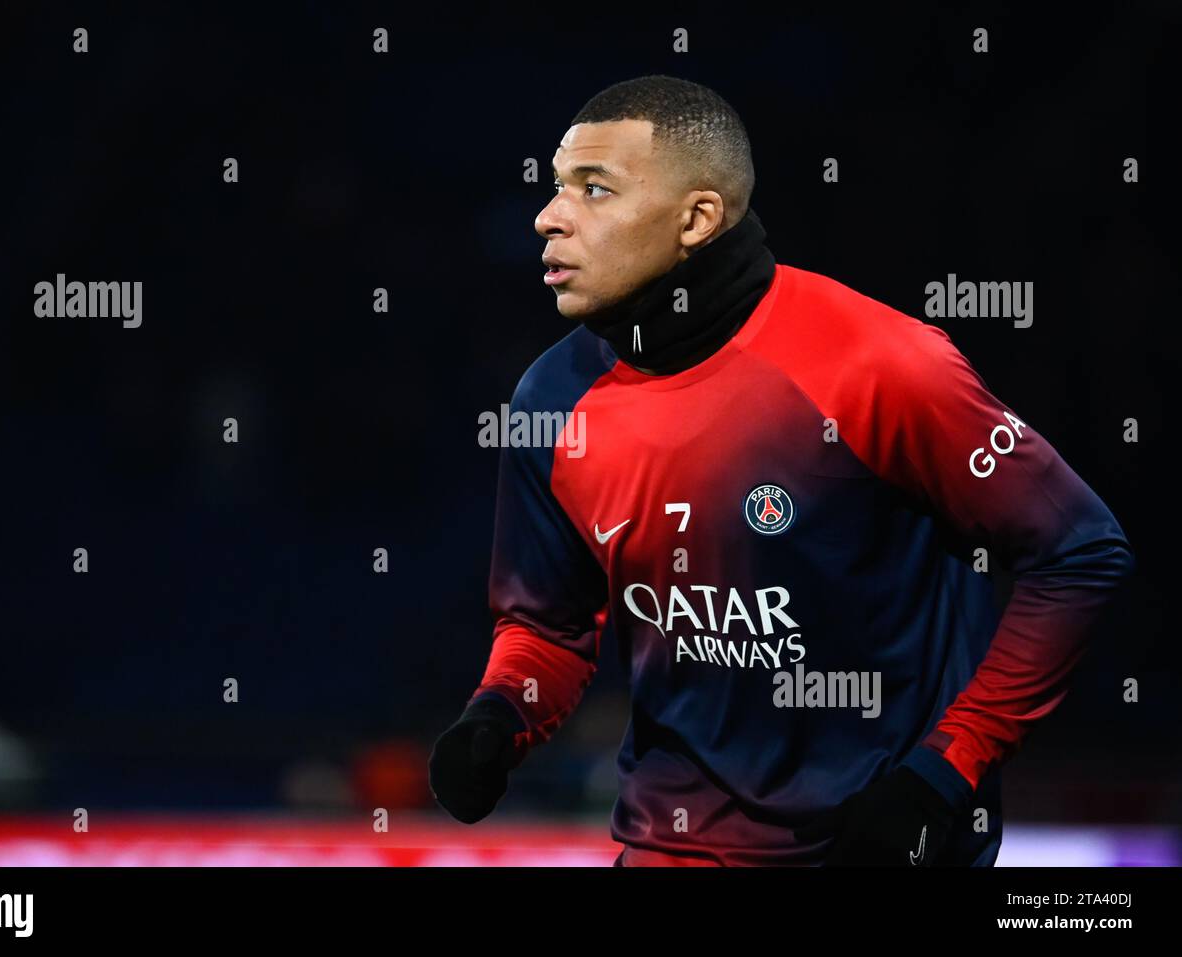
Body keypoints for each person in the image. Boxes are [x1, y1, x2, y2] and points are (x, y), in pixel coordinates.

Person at [428, 75, 1135, 866]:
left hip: (878, 852)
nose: (549, 216)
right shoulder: (551, 398)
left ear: (697, 218)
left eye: (593, 189)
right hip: (670, 846)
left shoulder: (881, 365)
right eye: (558, 185)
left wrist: (944, 772)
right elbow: (548, 626)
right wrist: (499, 716)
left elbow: (1080, 551)